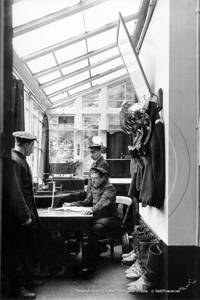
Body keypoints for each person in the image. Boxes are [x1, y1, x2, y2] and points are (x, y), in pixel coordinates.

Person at [8, 131, 44, 299]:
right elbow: (16, 192)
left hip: (26, 216)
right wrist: (24, 216)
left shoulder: (20, 160)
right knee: (18, 253)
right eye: (32, 146)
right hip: (18, 219)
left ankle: (28, 280)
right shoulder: (15, 161)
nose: (32, 150)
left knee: (26, 250)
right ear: (26, 145)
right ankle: (18, 288)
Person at [62, 167, 121, 267]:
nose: (93, 181)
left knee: (93, 229)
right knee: (83, 228)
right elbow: (86, 202)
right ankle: (94, 252)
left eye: (96, 178)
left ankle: (91, 258)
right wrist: (71, 204)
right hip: (98, 216)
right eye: (92, 179)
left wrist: (91, 210)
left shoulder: (109, 188)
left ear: (103, 178)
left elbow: (103, 203)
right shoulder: (94, 187)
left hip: (110, 217)